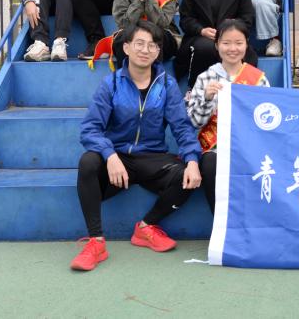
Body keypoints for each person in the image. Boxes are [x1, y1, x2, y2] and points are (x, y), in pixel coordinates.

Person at [70, 21, 202, 271]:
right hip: (118, 159)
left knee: (192, 171)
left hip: (153, 158)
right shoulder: (111, 84)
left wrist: (193, 160)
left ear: (158, 51)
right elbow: (90, 129)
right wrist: (110, 155)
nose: (145, 50)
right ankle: (96, 242)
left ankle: (146, 226)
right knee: (88, 162)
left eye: (152, 45)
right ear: (127, 48)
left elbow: (182, 128)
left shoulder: (167, 85)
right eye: (139, 43)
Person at [185, 19, 270, 212]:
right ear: (216, 45)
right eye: (226, 43)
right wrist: (207, 98)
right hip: (215, 148)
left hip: (247, 145)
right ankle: (221, 222)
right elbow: (195, 122)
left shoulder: (258, 79)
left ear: (246, 45)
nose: (233, 48)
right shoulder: (205, 78)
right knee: (209, 163)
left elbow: (266, 120)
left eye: (238, 43)